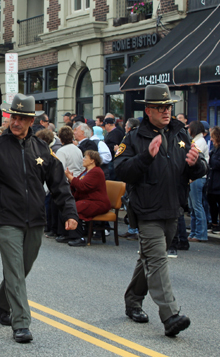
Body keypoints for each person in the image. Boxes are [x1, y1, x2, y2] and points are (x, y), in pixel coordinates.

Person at [0, 93, 79, 343]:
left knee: (23, 268)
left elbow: (58, 184)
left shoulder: (41, 149)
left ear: (30, 121)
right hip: (6, 217)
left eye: (22, 118)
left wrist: (69, 212)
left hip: (35, 218)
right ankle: (21, 322)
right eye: (13, 116)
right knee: (14, 268)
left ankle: (1, 303)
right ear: (9, 117)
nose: (16, 122)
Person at [114, 83, 207, 337]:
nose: (167, 111)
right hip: (146, 210)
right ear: (148, 111)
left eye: (169, 106)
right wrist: (146, 157)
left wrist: (196, 164)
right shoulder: (133, 137)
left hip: (173, 209)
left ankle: (133, 300)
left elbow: (195, 168)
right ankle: (170, 315)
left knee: (148, 257)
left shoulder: (180, 134)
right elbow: (120, 169)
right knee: (157, 261)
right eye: (160, 107)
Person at [64, 150, 111, 246]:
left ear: (92, 160)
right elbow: (79, 185)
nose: (83, 159)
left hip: (98, 203)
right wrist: (71, 180)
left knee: (75, 208)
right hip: (90, 201)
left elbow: (82, 186)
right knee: (68, 205)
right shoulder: (87, 171)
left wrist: (70, 177)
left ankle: (79, 237)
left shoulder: (96, 172)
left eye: (85, 157)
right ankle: (66, 234)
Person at [187, 121, 209, 242]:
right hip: (195, 178)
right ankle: (194, 232)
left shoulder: (199, 142)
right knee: (193, 206)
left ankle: (200, 234)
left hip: (197, 178)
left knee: (197, 206)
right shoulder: (197, 140)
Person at [207, 126, 220, 233]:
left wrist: (211, 160)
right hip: (212, 180)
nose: (211, 139)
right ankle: (214, 223)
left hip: (218, 181)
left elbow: (217, 164)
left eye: (212, 137)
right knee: (211, 202)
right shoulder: (214, 149)